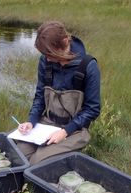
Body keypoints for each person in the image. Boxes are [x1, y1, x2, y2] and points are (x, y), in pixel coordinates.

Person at [17, 21, 101, 165]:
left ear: (64, 43)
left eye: (50, 54)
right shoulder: (45, 61)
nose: (47, 59)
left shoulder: (88, 66)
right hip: (46, 123)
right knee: (18, 155)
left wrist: (64, 132)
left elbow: (92, 109)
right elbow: (39, 97)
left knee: (37, 162)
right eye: (45, 54)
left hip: (75, 130)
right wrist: (31, 121)